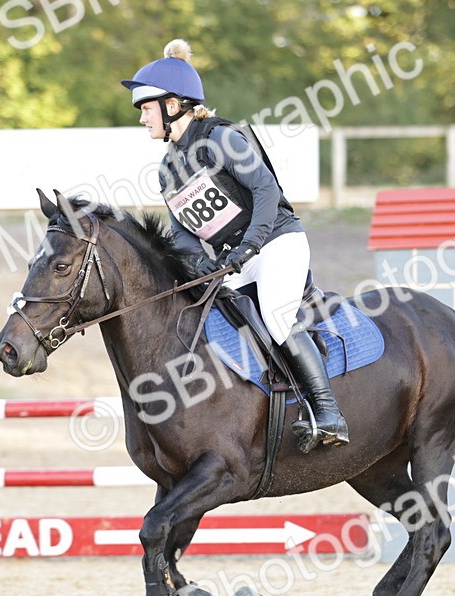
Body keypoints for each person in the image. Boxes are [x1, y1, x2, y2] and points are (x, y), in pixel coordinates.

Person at [121, 39, 349, 452]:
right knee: (210, 321)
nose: (142, 118)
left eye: (146, 109)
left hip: (277, 242)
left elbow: (266, 191)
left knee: (276, 317)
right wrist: (197, 266)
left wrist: (250, 245)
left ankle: (328, 411)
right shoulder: (168, 168)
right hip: (236, 259)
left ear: (172, 105)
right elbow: (183, 231)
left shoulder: (222, 139)